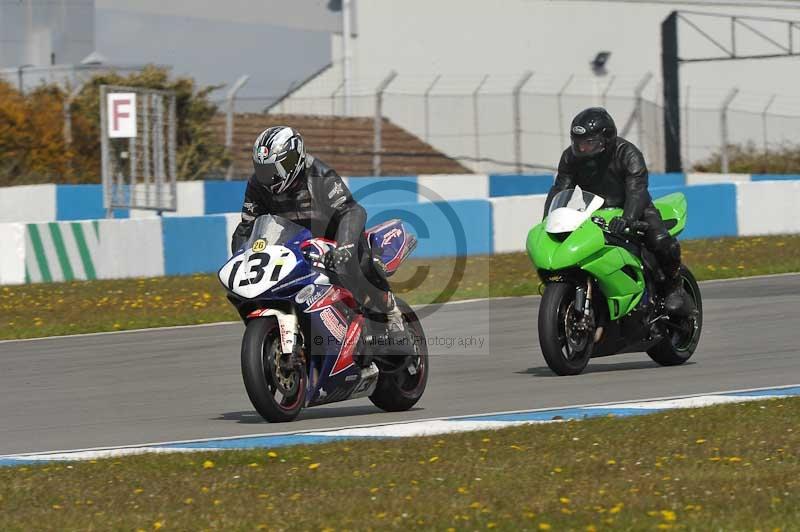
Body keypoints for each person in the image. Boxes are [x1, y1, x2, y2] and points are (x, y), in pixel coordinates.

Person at [230, 126, 405, 332]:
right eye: (263, 169)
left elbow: (352, 211)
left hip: (335, 237)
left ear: (292, 160)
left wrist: (345, 247)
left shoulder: (320, 175)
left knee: (358, 263)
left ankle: (390, 311)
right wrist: (243, 257)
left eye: (274, 169)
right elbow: (248, 226)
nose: (268, 177)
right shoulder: (257, 185)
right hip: (295, 243)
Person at [544, 107, 692, 315]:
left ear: (607, 139)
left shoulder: (628, 153)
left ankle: (674, 287)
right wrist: (548, 219)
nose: (583, 149)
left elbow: (637, 189)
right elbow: (560, 187)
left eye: (589, 143)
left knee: (659, 240)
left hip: (635, 209)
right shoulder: (570, 158)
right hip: (592, 211)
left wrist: (628, 218)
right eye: (579, 144)